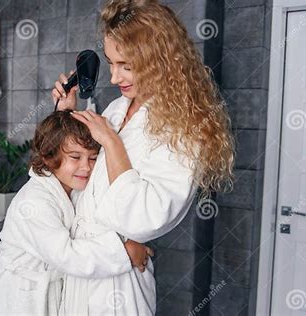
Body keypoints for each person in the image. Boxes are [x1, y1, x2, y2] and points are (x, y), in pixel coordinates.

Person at [52, 0, 235, 314]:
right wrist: (65, 114)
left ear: (158, 59)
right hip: (83, 266)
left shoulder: (183, 128)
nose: (114, 78)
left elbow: (149, 217)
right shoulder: (117, 109)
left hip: (118, 286)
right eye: (111, 63)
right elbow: (81, 176)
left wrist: (112, 143)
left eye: (126, 65)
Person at [0, 110, 153, 315]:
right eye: (75, 157)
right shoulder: (34, 202)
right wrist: (125, 253)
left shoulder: (71, 191)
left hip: (48, 291)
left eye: (92, 158)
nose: (86, 167)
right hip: (17, 299)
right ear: (47, 156)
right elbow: (67, 255)